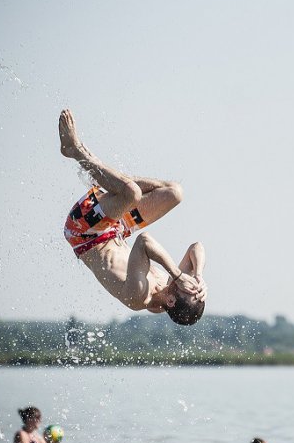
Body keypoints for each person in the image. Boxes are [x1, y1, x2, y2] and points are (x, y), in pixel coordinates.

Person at [59, 109, 207, 324]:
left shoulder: (140, 297)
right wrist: (200, 276)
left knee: (132, 193)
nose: (188, 282)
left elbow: (144, 241)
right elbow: (197, 246)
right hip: (116, 229)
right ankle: (112, 184)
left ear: (172, 302)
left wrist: (177, 275)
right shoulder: (170, 287)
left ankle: (76, 151)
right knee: (174, 192)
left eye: (189, 289)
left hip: (85, 232)